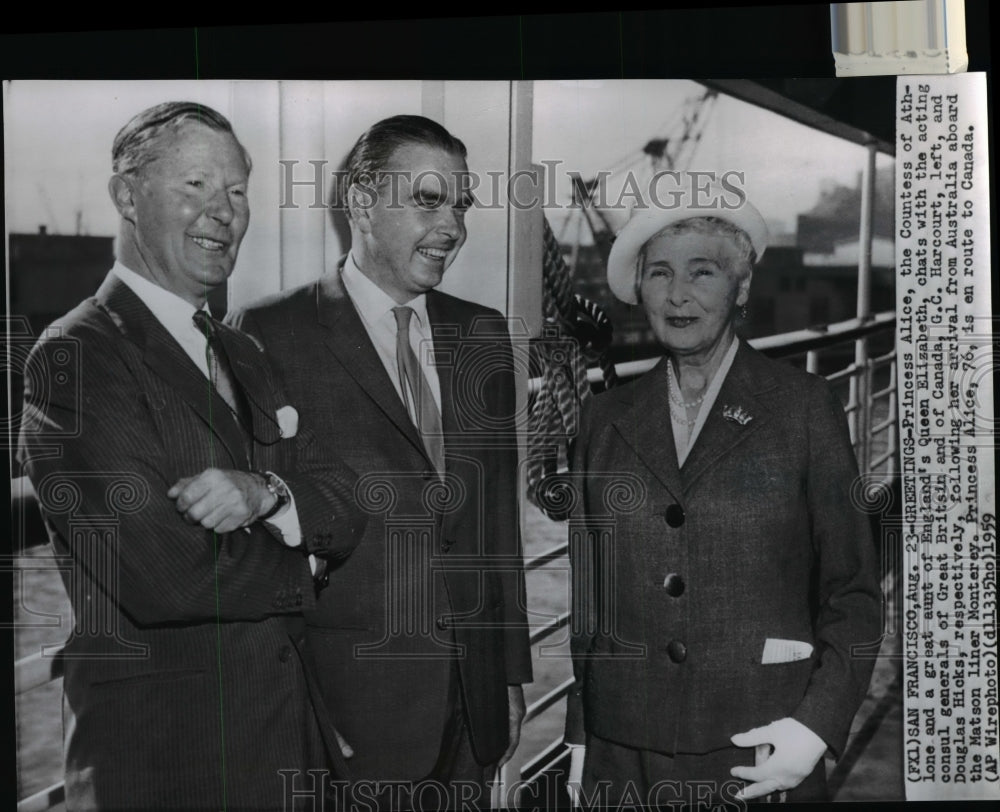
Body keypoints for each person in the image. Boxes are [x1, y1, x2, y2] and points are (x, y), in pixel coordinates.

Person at [17, 101, 364, 810]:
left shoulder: (243, 350)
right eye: (195, 185)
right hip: (169, 767)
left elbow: (343, 494)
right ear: (126, 195)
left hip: (287, 749)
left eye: (237, 191)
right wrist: (307, 551)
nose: (224, 212)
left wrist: (268, 492)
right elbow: (168, 577)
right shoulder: (76, 357)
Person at [228, 115, 532, 809]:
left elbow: (494, 526)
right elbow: (258, 540)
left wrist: (508, 678)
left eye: (461, 205)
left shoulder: (481, 332)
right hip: (346, 716)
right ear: (360, 203)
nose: (452, 226)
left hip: (472, 706)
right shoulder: (270, 333)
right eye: (428, 201)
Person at [564, 176, 882, 806]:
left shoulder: (805, 409)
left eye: (702, 272)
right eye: (659, 274)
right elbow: (591, 604)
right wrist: (581, 740)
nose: (678, 295)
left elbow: (854, 594)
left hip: (763, 748)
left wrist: (814, 728)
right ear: (639, 289)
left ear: (741, 287)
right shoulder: (604, 420)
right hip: (622, 756)